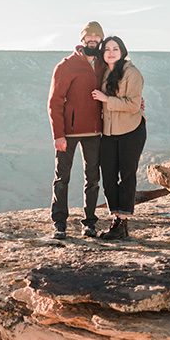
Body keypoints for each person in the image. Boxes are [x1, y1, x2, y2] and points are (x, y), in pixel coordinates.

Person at [46, 21, 106, 240]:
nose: (93, 39)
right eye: (89, 36)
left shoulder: (103, 64)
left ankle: (89, 223)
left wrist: (137, 101)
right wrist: (58, 134)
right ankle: (59, 224)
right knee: (62, 178)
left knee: (93, 178)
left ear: (101, 39)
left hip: (95, 132)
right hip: (68, 133)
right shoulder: (66, 65)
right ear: (82, 39)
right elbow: (54, 102)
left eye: (96, 36)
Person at [92, 36, 146, 240]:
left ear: (122, 51)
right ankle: (115, 217)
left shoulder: (132, 73)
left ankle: (121, 223)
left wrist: (107, 99)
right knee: (108, 176)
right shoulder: (105, 72)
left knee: (127, 176)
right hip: (108, 132)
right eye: (107, 49)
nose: (111, 52)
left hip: (131, 131)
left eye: (115, 48)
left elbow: (133, 105)